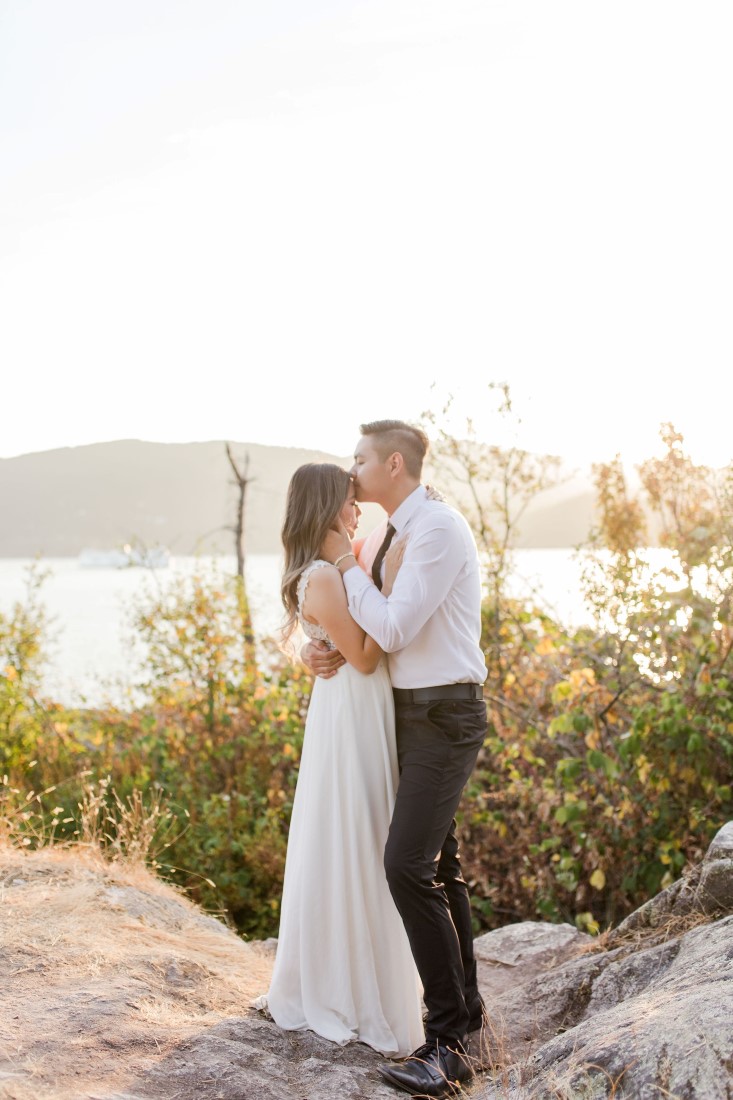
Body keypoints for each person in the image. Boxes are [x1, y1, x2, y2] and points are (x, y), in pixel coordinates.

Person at [312, 420, 488, 1099]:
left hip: (444, 713)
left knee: (404, 865)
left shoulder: (437, 529)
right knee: (440, 867)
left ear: (392, 463)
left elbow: (391, 626)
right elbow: (364, 635)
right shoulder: (389, 530)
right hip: (408, 711)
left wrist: (347, 565)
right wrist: (320, 646)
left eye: (358, 459)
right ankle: (463, 1021)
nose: (349, 469)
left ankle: (444, 1045)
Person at [254, 462, 424, 1058]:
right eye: (351, 503)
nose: (359, 511)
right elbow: (366, 656)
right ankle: (347, 989)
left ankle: (354, 974)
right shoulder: (328, 573)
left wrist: (309, 644)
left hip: (351, 713)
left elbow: (327, 636)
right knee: (359, 839)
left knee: (356, 837)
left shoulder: (326, 568)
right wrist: (395, 595)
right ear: (330, 509)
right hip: (352, 716)